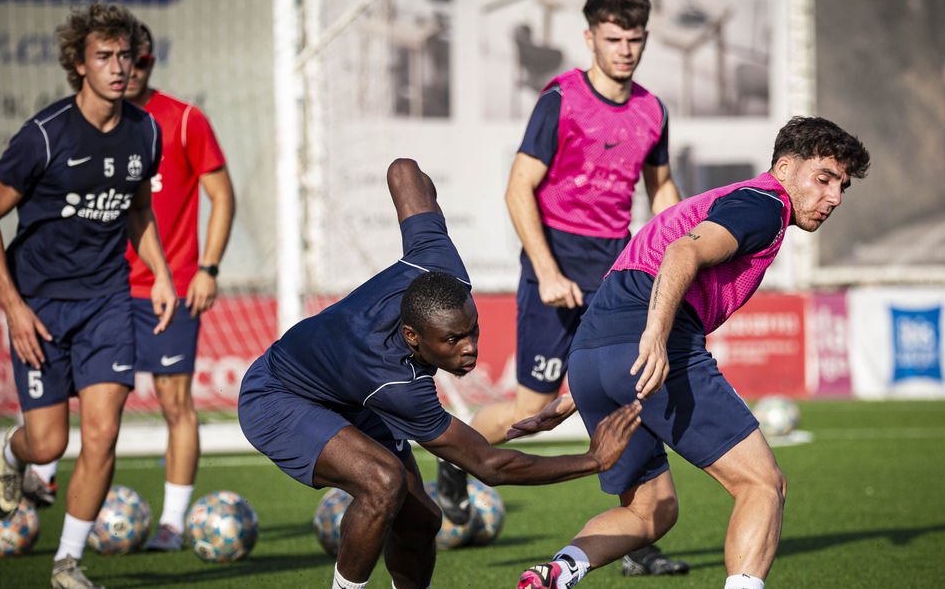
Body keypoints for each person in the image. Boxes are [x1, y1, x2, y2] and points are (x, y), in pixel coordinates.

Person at [237, 158, 643, 589]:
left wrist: (420, 184)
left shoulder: (438, 263)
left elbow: (402, 170)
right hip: (278, 397)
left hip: (348, 391)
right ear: (413, 336)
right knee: (382, 482)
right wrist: (593, 460)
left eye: (473, 331)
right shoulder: (396, 382)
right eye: (452, 341)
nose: (469, 348)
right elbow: (491, 465)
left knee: (421, 521)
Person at [515, 117, 871, 589]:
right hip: (650, 344)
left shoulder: (726, 200)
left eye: (842, 186)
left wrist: (572, 396)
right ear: (784, 169)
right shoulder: (765, 204)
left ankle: (557, 572)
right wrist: (657, 337)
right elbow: (683, 253)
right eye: (823, 179)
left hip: (592, 355)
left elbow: (618, 311)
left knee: (650, 512)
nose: (834, 198)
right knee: (762, 485)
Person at [438, 0, 687, 577]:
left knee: (631, 395)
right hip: (553, 272)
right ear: (590, 37)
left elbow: (661, 192)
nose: (625, 49)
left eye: (635, 39)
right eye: (613, 38)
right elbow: (517, 186)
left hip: (618, 275)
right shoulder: (560, 100)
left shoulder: (653, 110)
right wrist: (547, 271)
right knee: (533, 405)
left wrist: (684, 244)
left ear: (646, 40)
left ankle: (638, 540)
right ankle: (452, 465)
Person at [0, 3, 176, 589]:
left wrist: (158, 272)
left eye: (124, 56)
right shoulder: (44, 135)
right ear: (79, 64)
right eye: (103, 56)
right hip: (38, 303)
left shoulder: (146, 131)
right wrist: (12, 307)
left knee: (104, 431)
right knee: (48, 442)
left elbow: (137, 208)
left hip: (108, 299)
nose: (117, 68)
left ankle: (67, 563)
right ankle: (13, 459)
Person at [18, 21, 237, 552]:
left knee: (174, 402)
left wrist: (207, 268)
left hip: (169, 288)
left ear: (150, 62)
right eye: (115, 59)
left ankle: (173, 523)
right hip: (97, 291)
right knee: (69, 410)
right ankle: (40, 476)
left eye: (135, 60)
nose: (125, 69)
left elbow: (223, 197)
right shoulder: (83, 126)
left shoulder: (182, 121)